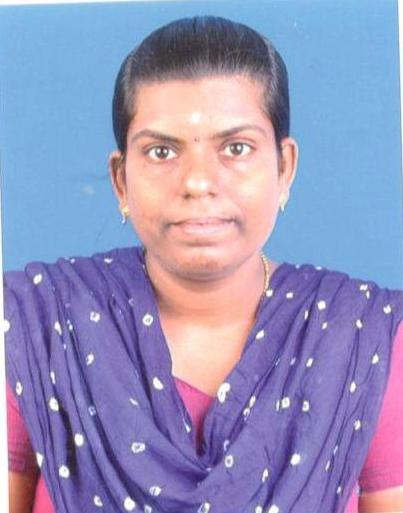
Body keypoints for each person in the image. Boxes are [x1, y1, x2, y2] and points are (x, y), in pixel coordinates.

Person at [4, 15, 403, 513]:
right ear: (121, 180)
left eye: (235, 148)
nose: (197, 182)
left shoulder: (363, 340)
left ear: (284, 169)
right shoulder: (36, 328)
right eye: (161, 151)